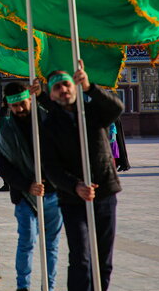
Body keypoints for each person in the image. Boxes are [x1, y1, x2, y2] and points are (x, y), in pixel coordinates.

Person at [42, 62, 123, 291]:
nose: (63, 90)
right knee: (81, 258)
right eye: (57, 87)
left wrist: (90, 87)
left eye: (66, 84)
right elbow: (51, 167)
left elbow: (116, 109)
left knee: (103, 260)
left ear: (74, 87)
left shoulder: (92, 112)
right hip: (73, 199)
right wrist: (74, 185)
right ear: (52, 94)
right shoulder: (49, 126)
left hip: (105, 192)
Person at [0, 81, 63, 291]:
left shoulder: (46, 120)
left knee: (51, 246)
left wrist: (42, 95)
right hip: (25, 197)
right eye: (15, 106)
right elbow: (3, 167)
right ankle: (22, 286)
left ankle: (48, 286)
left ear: (30, 100)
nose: (20, 109)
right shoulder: (7, 130)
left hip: (53, 194)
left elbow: (65, 115)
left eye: (23, 104)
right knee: (27, 242)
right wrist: (27, 185)